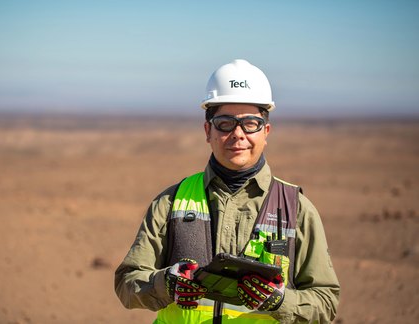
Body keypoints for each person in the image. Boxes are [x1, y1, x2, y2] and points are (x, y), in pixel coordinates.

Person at [114, 59, 340, 323]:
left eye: (250, 123)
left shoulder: (296, 210)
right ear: (207, 130)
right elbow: (128, 283)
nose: (238, 134)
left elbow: (325, 303)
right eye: (225, 123)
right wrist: (167, 284)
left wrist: (279, 301)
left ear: (266, 131)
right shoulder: (171, 202)